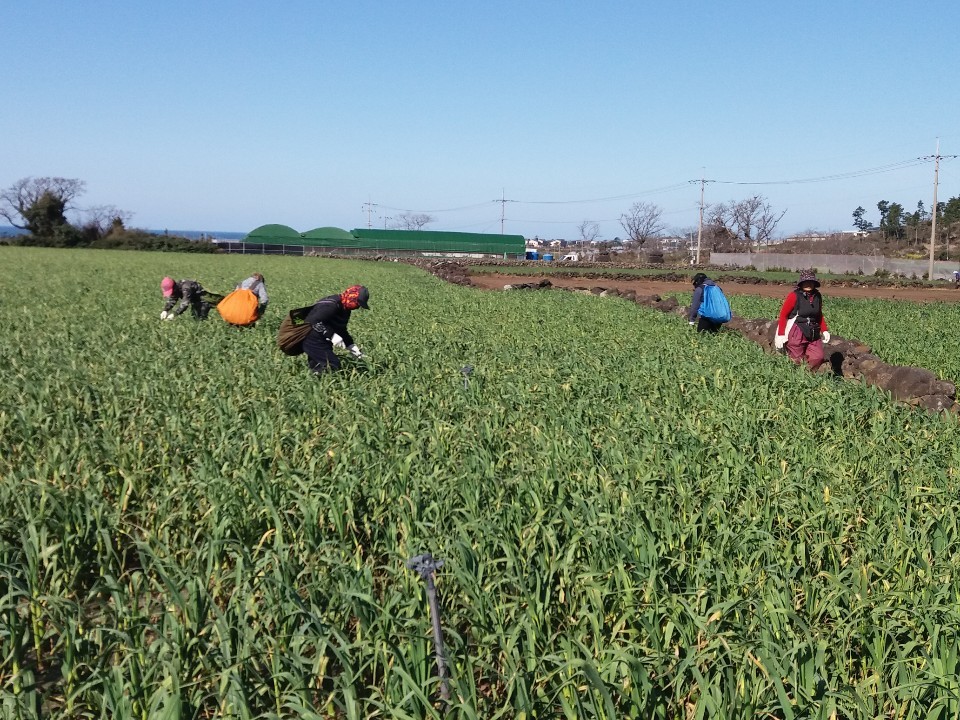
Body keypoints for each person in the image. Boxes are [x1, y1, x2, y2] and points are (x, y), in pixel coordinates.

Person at [302, 285, 370, 373]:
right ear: (351, 296)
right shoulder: (331, 305)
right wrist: (332, 335)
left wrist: (351, 346)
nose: (357, 307)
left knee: (319, 366)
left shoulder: (345, 309)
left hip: (321, 338)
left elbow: (341, 329)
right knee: (332, 364)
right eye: (357, 303)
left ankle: (317, 379)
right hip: (311, 337)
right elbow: (312, 321)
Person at [774, 270, 831, 369]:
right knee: (796, 359)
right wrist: (781, 334)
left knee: (818, 357)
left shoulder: (817, 296)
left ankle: (809, 376)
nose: (808, 284)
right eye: (806, 282)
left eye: (811, 282)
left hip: (813, 330)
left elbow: (819, 315)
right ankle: (797, 379)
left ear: (814, 283)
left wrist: (824, 330)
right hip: (797, 330)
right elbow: (783, 315)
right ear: (801, 283)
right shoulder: (794, 296)